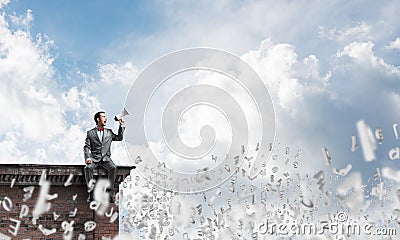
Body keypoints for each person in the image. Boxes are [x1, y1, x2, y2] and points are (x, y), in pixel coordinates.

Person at [83, 111, 125, 203]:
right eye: (103, 117)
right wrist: (87, 158)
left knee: (113, 168)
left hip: (106, 159)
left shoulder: (109, 132)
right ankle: (91, 193)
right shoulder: (90, 133)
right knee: (87, 168)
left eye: (106, 117)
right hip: (94, 158)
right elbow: (86, 147)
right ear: (98, 119)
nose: (106, 118)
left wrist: (121, 125)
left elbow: (119, 138)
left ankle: (108, 193)